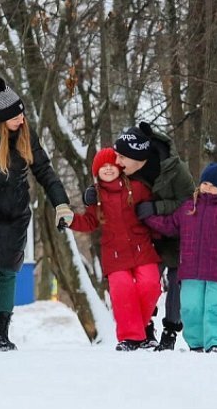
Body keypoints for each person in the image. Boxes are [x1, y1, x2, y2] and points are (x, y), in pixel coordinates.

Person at [0, 77, 72, 352]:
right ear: (1, 119)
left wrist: (61, 204)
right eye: (16, 115)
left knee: (8, 273)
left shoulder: (26, 135)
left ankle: (2, 335)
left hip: (16, 215)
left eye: (22, 113)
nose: (22, 119)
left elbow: (45, 171)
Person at [87, 123, 194, 350]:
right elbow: (110, 186)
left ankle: (171, 331)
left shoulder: (175, 170)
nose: (117, 162)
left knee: (175, 280)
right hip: (148, 235)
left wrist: (157, 207)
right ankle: (144, 329)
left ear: (136, 156)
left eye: (121, 157)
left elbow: (189, 203)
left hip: (177, 234)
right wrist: (93, 192)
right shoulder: (128, 170)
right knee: (147, 282)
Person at [140, 161, 217, 352]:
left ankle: (216, 342)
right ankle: (196, 343)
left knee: (215, 307)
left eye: (213, 186)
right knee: (190, 308)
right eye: (205, 183)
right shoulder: (189, 208)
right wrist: (148, 216)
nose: (207, 187)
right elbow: (170, 225)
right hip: (189, 271)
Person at [68, 148, 162, 351]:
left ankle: (143, 328)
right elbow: (90, 221)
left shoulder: (137, 188)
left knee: (150, 285)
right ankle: (131, 337)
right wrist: (70, 219)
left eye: (112, 165)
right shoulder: (96, 196)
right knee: (122, 290)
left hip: (142, 249)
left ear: (120, 167)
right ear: (96, 171)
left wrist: (160, 224)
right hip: (114, 253)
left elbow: (153, 206)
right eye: (103, 166)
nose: (108, 169)